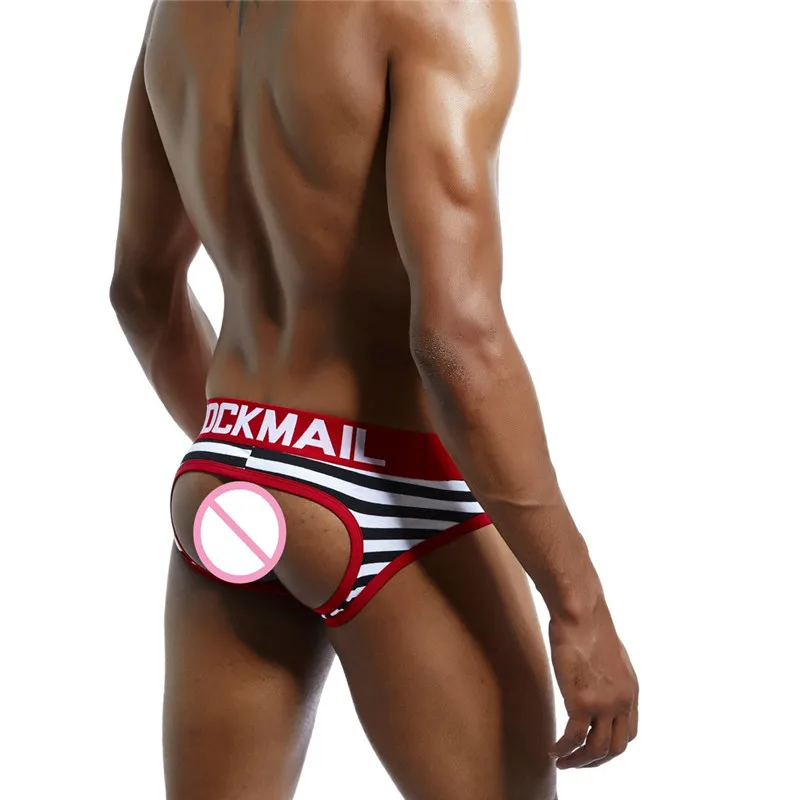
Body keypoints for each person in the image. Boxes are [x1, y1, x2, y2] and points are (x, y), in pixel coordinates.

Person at [110, 2, 638, 798]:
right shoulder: (436, 9)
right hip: (388, 480)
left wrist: (271, 466)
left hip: (223, 471)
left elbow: (142, 292)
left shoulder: (177, 14)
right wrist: (580, 607)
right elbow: (456, 339)